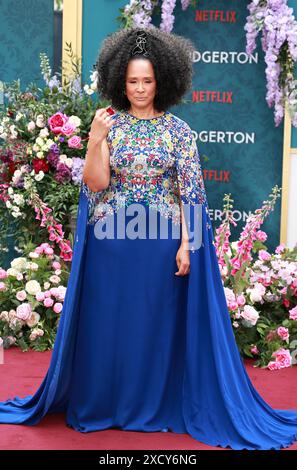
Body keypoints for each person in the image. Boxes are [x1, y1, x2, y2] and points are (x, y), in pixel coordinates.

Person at [0, 26, 297, 451]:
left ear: (163, 82)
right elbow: (96, 184)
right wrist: (95, 140)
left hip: (159, 247)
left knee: (153, 329)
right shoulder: (109, 126)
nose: (140, 89)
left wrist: (185, 244)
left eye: (147, 81)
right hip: (110, 244)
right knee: (110, 328)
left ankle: (154, 406)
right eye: (132, 81)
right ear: (120, 81)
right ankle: (107, 405)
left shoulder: (179, 132)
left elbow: (191, 194)